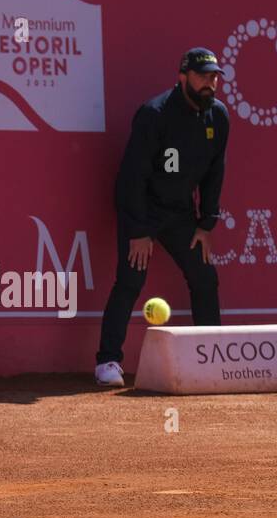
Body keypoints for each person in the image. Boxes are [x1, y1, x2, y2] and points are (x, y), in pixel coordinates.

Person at [94, 47, 229, 387]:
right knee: (130, 280)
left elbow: (216, 171)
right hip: (144, 209)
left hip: (182, 213)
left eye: (214, 77)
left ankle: (211, 357)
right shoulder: (154, 114)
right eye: (202, 76)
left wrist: (206, 221)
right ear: (182, 76)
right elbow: (132, 176)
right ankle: (107, 361)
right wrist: (139, 229)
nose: (209, 83)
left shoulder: (219, 117)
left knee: (204, 276)